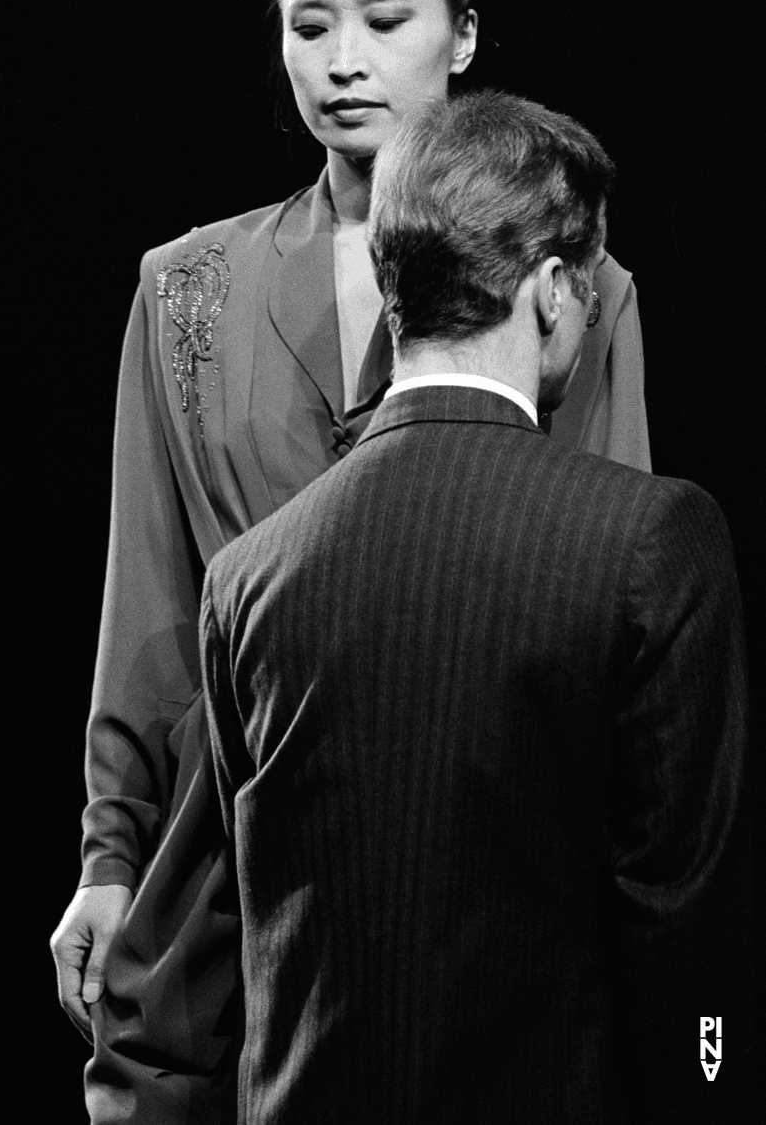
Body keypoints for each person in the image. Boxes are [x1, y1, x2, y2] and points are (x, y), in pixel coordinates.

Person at [50, 0, 651, 1122]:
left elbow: (614, 572)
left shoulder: (572, 285)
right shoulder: (187, 288)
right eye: (307, 25)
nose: (341, 62)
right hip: (230, 844)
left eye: (383, 19)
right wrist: (111, 853)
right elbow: (152, 599)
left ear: (464, 35)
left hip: (476, 835)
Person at [199, 91, 747, 1124]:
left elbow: (262, 925)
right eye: (584, 290)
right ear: (549, 289)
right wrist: (713, 1090)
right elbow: (685, 929)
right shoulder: (651, 540)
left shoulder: (245, 578)